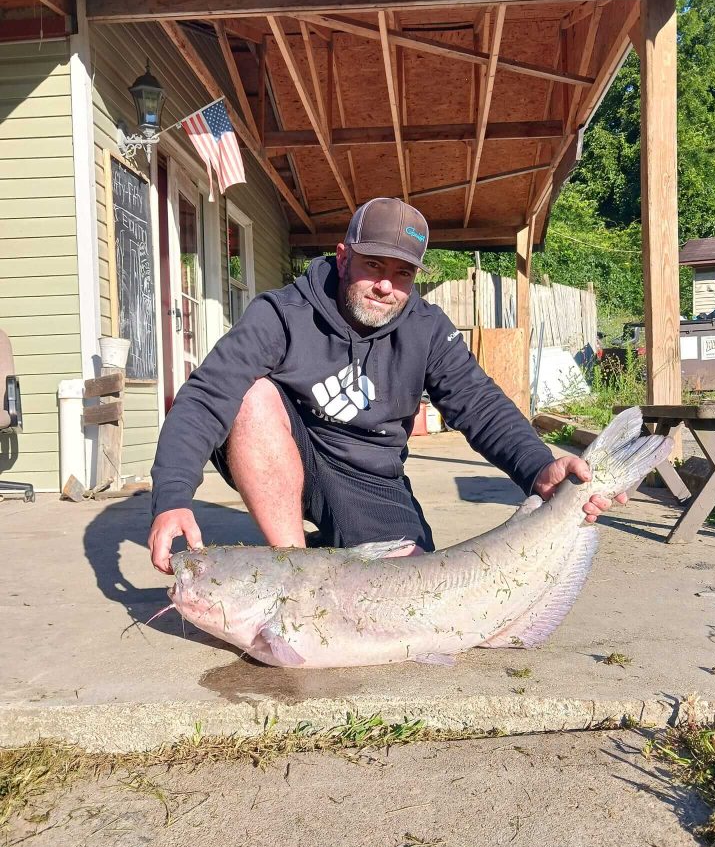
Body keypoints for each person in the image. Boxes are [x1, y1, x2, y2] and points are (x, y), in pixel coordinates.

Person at [149, 198, 622, 573]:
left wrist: (539, 466)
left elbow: (479, 404)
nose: (386, 286)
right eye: (374, 265)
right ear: (342, 257)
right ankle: (292, 569)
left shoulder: (428, 328)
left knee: (408, 581)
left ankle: (330, 547)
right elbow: (207, 396)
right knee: (252, 396)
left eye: (402, 273)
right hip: (292, 448)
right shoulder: (281, 314)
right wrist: (171, 499)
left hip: (369, 477)